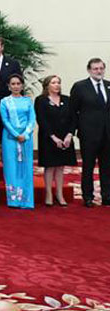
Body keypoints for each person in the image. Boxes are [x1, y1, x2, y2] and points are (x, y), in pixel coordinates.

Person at [69, 58, 110, 208]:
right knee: (88, 166)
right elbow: (73, 111)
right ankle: (87, 196)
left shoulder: (108, 85)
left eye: (101, 68)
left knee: (107, 167)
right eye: (95, 69)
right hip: (88, 134)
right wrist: (72, 131)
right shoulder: (80, 87)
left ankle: (107, 196)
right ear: (89, 70)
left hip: (107, 134)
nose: (99, 71)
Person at [35, 75, 75, 207]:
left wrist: (69, 135)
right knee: (50, 166)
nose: (57, 85)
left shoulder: (67, 99)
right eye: (53, 83)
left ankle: (59, 193)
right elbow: (42, 120)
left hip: (65, 138)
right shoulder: (41, 100)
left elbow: (73, 118)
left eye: (58, 82)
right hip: (48, 138)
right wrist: (53, 137)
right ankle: (48, 194)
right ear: (47, 85)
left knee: (60, 166)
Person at [0, 74, 35, 209]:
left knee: (26, 167)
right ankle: (14, 199)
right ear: (9, 86)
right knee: (11, 167)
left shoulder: (27, 101)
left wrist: (25, 134)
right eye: (13, 84)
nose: (16, 86)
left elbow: (32, 119)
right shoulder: (4, 101)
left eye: (18, 84)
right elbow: (5, 120)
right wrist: (16, 134)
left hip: (26, 138)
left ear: (22, 85)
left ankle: (27, 200)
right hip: (10, 138)